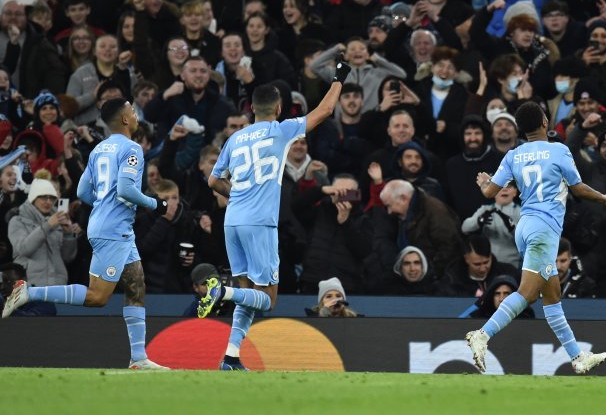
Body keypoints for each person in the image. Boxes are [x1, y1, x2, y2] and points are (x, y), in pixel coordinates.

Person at [199, 57, 352, 371]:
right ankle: (221, 290)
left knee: (248, 295)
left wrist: (237, 193)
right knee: (267, 299)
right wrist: (339, 77)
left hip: (233, 222)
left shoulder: (234, 138)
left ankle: (230, 357)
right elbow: (323, 112)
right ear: (279, 109)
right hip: (260, 223)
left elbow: (213, 181)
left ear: (251, 108)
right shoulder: (282, 130)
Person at [2, 98, 170, 370]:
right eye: (131, 110)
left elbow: (82, 192)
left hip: (113, 227)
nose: (136, 113)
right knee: (97, 297)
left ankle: (139, 358)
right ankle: (28, 293)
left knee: (136, 283)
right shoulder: (132, 149)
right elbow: (126, 189)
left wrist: (104, 203)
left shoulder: (98, 150)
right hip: (113, 229)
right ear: (125, 119)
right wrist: (155, 204)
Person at [466, 101, 606, 374]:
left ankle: (577, 357)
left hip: (525, 226)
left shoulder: (513, 155)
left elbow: (489, 192)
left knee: (551, 295)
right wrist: (605, 198)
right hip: (544, 229)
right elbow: (578, 188)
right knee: (527, 293)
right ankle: (482, 334)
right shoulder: (558, 150)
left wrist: (484, 182)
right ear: (544, 123)